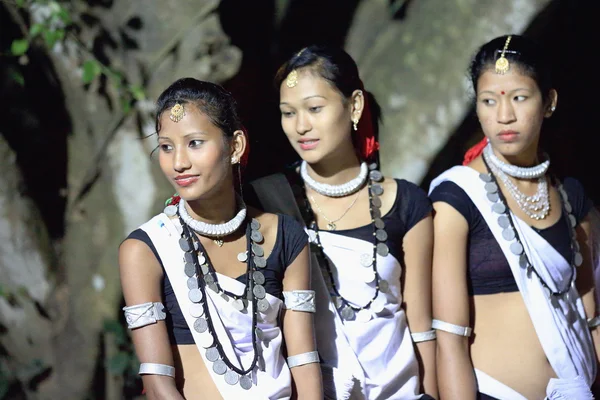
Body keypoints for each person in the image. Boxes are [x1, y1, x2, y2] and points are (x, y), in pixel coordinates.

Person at [246, 46, 437, 400]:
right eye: (288, 113)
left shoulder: (406, 203)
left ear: (355, 106)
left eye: (314, 108)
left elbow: (422, 326)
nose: (301, 126)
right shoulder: (266, 202)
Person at [118, 78, 322, 399]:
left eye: (195, 143)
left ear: (235, 146)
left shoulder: (284, 236)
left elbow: (304, 361)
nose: (179, 162)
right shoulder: (146, 250)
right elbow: (158, 385)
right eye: (167, 147)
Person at [429, 34, 600, 399]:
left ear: (549, 102)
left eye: (519, 98)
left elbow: (591, 317)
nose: (504, 116)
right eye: (489, 101)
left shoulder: (570, 194)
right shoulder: (456, 198)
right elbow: (449, 339)